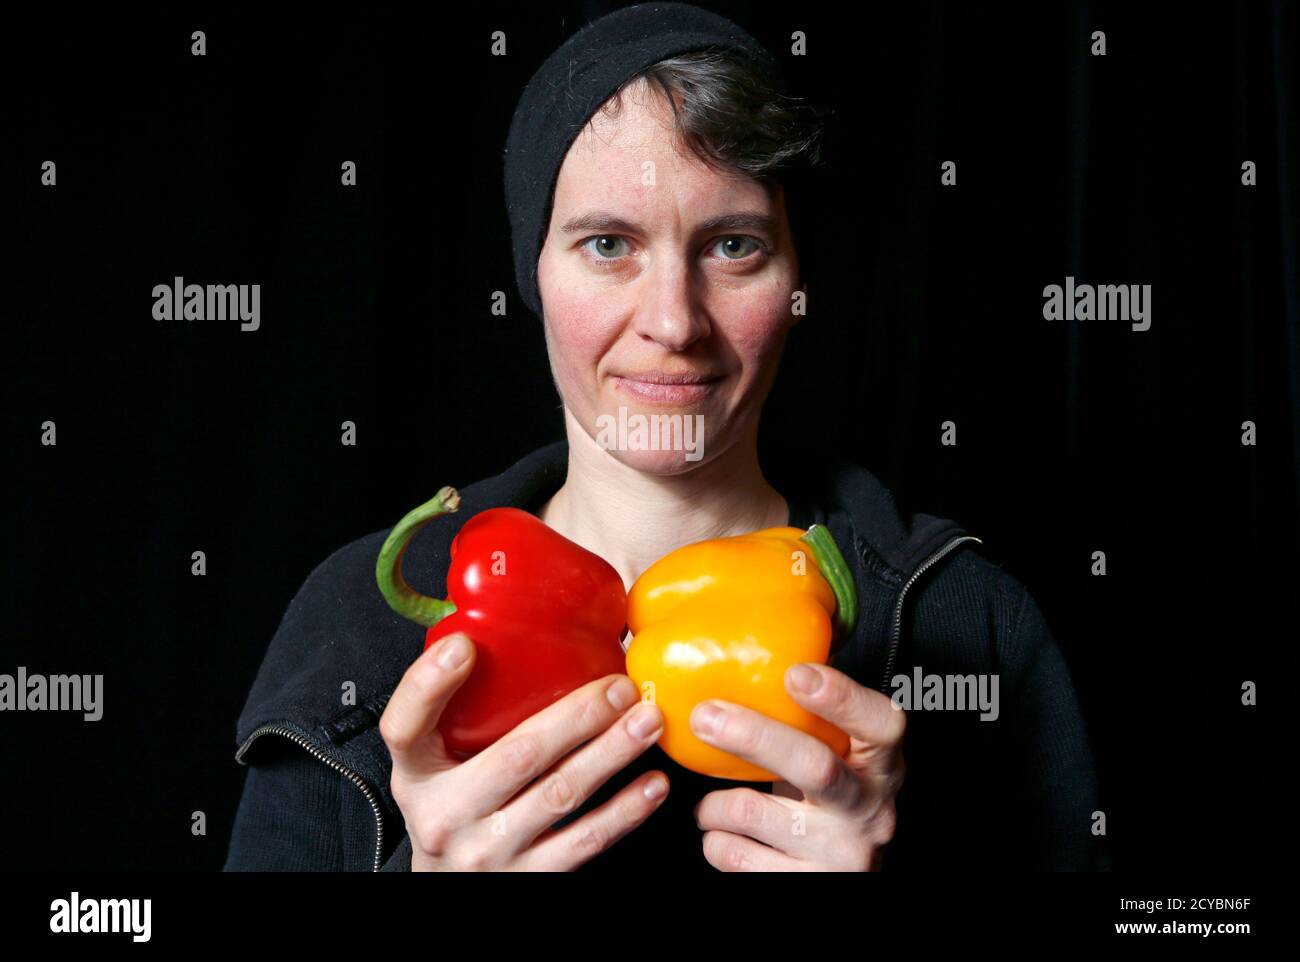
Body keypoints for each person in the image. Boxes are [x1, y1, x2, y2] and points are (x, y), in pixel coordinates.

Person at [224, 1, 1105, 873]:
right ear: (532, 272)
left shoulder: (971, 625)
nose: (674, 321)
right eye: (608, 243)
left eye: (733, 246)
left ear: (798, 276)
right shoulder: (355, 627)